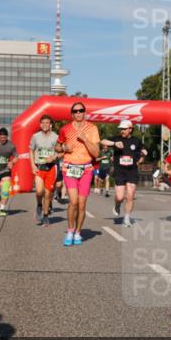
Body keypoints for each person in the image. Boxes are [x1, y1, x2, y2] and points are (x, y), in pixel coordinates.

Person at [56, 101, 100, 245]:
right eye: (75, 111)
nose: (78, 113)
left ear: (84, 112)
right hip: (69, 168)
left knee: (82, 205)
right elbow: (57, 147)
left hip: (86, 169)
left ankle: (78, 232)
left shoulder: (92, 128)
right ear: (72, 114)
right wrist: (64, 148)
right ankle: (70, 231)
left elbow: (96, 153)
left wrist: (85, 139)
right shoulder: (65, 129)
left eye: (80, 110)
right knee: (73, 202)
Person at [102, 119, 147, 227]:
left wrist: (144, 153)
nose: (122, 130)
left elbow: (143, 151)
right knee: (120, 197)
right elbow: (102, 141)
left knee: (130, 196)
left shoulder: (136, 140)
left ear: (130, 129)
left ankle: (126, 218)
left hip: (132, 171)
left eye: (124, 129)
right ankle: (117, 204)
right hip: (119, 171)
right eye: (121, 129)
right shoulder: (116, 139)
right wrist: (114, 143)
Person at [29, 115, 60, 226]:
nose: (45, 125)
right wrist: (32, 165)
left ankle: (46, 215)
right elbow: (31, 150)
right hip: (39, 167)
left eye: (47, 123)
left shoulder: (56, 137)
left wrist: (54, 157)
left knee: (47, 194)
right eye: (43, 122)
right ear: (40, 124)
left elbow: (61, 152)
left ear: (50, 125)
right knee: (39, 191)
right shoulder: (35, 136)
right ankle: (39, 205)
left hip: (51, 168)